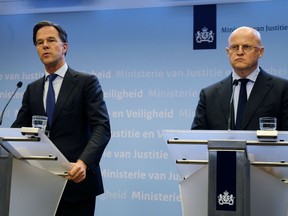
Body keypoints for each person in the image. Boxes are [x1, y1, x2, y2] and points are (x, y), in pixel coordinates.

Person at [11, 20, 111, 216]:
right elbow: (18, 132)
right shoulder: (32, 89)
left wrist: (84, 163)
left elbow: (102, 127)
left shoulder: (85, 82)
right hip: (40, 183)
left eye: (50, 40)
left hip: (76, 182)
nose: (45, 46)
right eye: (39, 43)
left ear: (64, 46)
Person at [191, 26, 288, 130]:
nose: (240, 52)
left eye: (246, 47)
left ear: (260, 52)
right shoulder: (209, 95)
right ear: (228, 52)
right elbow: (197, 139)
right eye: (234, 47)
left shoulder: (282, 89)